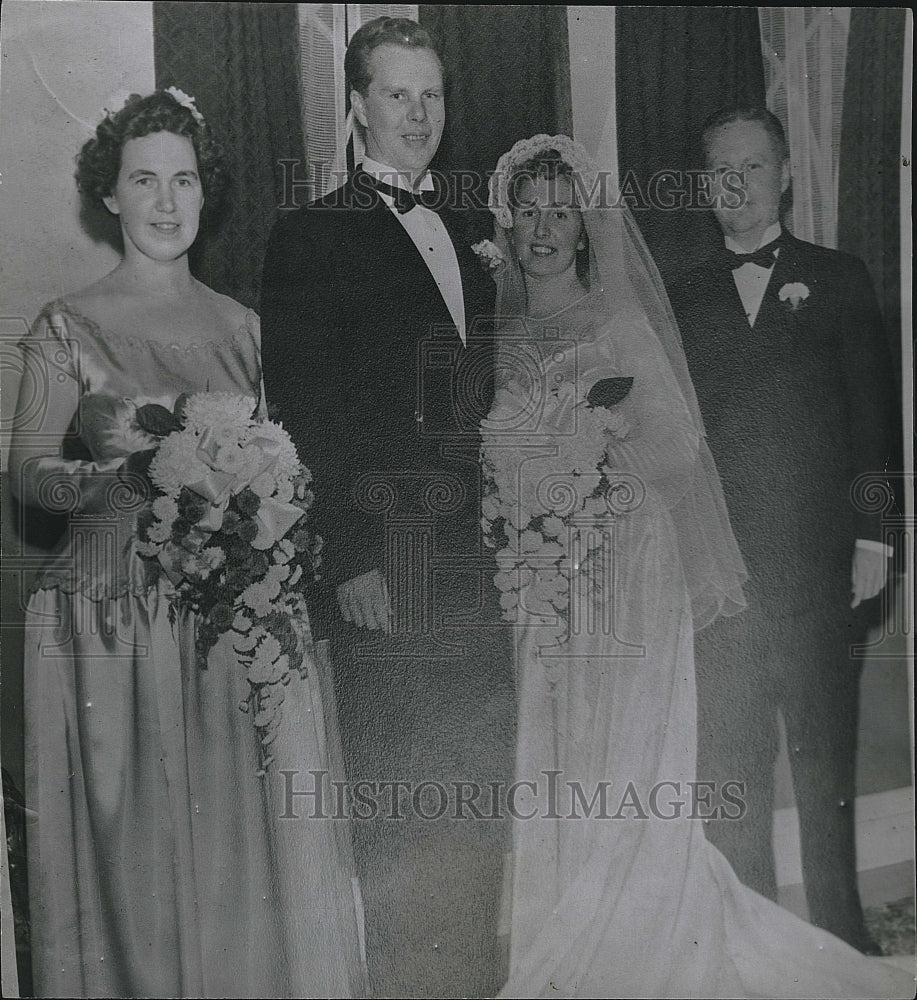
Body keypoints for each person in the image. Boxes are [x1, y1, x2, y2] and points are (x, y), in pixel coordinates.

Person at [481, 133, 913, 998]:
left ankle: (813, 926)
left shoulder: (648, 315)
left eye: (561, 211)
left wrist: (877, 534)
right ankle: (579, 926)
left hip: (652, 572)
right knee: (599, 759)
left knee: (718, 757)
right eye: (527, 212)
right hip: (549, 589)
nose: (542, 229)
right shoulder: (512, 327)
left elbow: (690, 453)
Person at [10, 89, 366, 998]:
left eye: (184, 180)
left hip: (228, 623)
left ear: (205, 195)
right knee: (141, 858)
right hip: (110, 625)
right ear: (110, 197)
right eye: (143, 180)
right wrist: (138, 479)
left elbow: (282, 474)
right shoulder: (65, 326)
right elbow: (29, 476)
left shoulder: (245, 331)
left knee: (234, 855)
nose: (166, 201)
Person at [260, 16, 514, 997]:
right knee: (399, 796)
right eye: (397, 94)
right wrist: (353, 550)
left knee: (475, 784)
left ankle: (476, 981)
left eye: (431, 95)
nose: (417, 114)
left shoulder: (460, 234)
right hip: (381, 563)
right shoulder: (308, 233)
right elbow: (309, 408)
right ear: (357, 104)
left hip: (468, 563)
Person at [666, 107, 899, 953]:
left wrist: (875, 539)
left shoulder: (837, 278)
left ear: (785, 176)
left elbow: (875, 418)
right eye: (719, 171)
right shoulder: (677, 294)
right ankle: (751, 942)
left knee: (822, 762)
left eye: (752, 167)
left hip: (818, 571)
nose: (736, 185)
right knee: (731, 769)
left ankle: (840, 932)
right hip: (722, 585)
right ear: (704, 186)